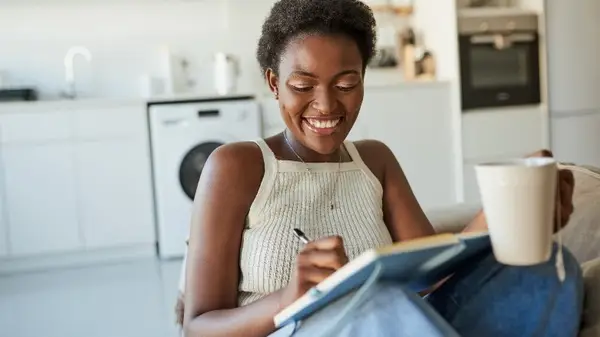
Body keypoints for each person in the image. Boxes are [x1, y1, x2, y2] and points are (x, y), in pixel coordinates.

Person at [179, 0, 583, 336]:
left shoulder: (375, 160)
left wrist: (514, 210)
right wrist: (289, 299)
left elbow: (435, 274)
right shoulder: (237, 166)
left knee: (547, 268)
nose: (325, 105)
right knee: (378, 301)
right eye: (302, 86)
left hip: (395, 324)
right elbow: (197, 326)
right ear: (273, 83)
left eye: (345, 84)